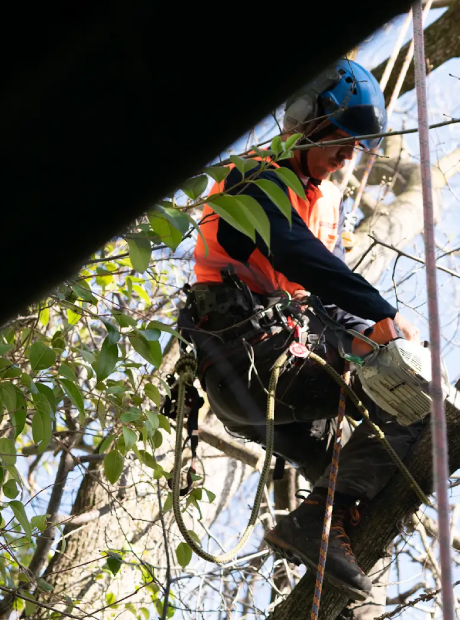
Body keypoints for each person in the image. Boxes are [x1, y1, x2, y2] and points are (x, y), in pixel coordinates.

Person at [178, 58, 423, 601]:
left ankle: (330, 553)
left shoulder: (324, 201)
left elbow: (328, 298)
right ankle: (317, 526)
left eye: (360, 144)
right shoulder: (254, 175)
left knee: (360, 467)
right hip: (254, 357)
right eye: (344, 138)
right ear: (307, 120)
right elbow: (297, 253)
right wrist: (382, 313)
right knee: (413, 403)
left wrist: (381, 335)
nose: (349, 154)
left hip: (268, 378)